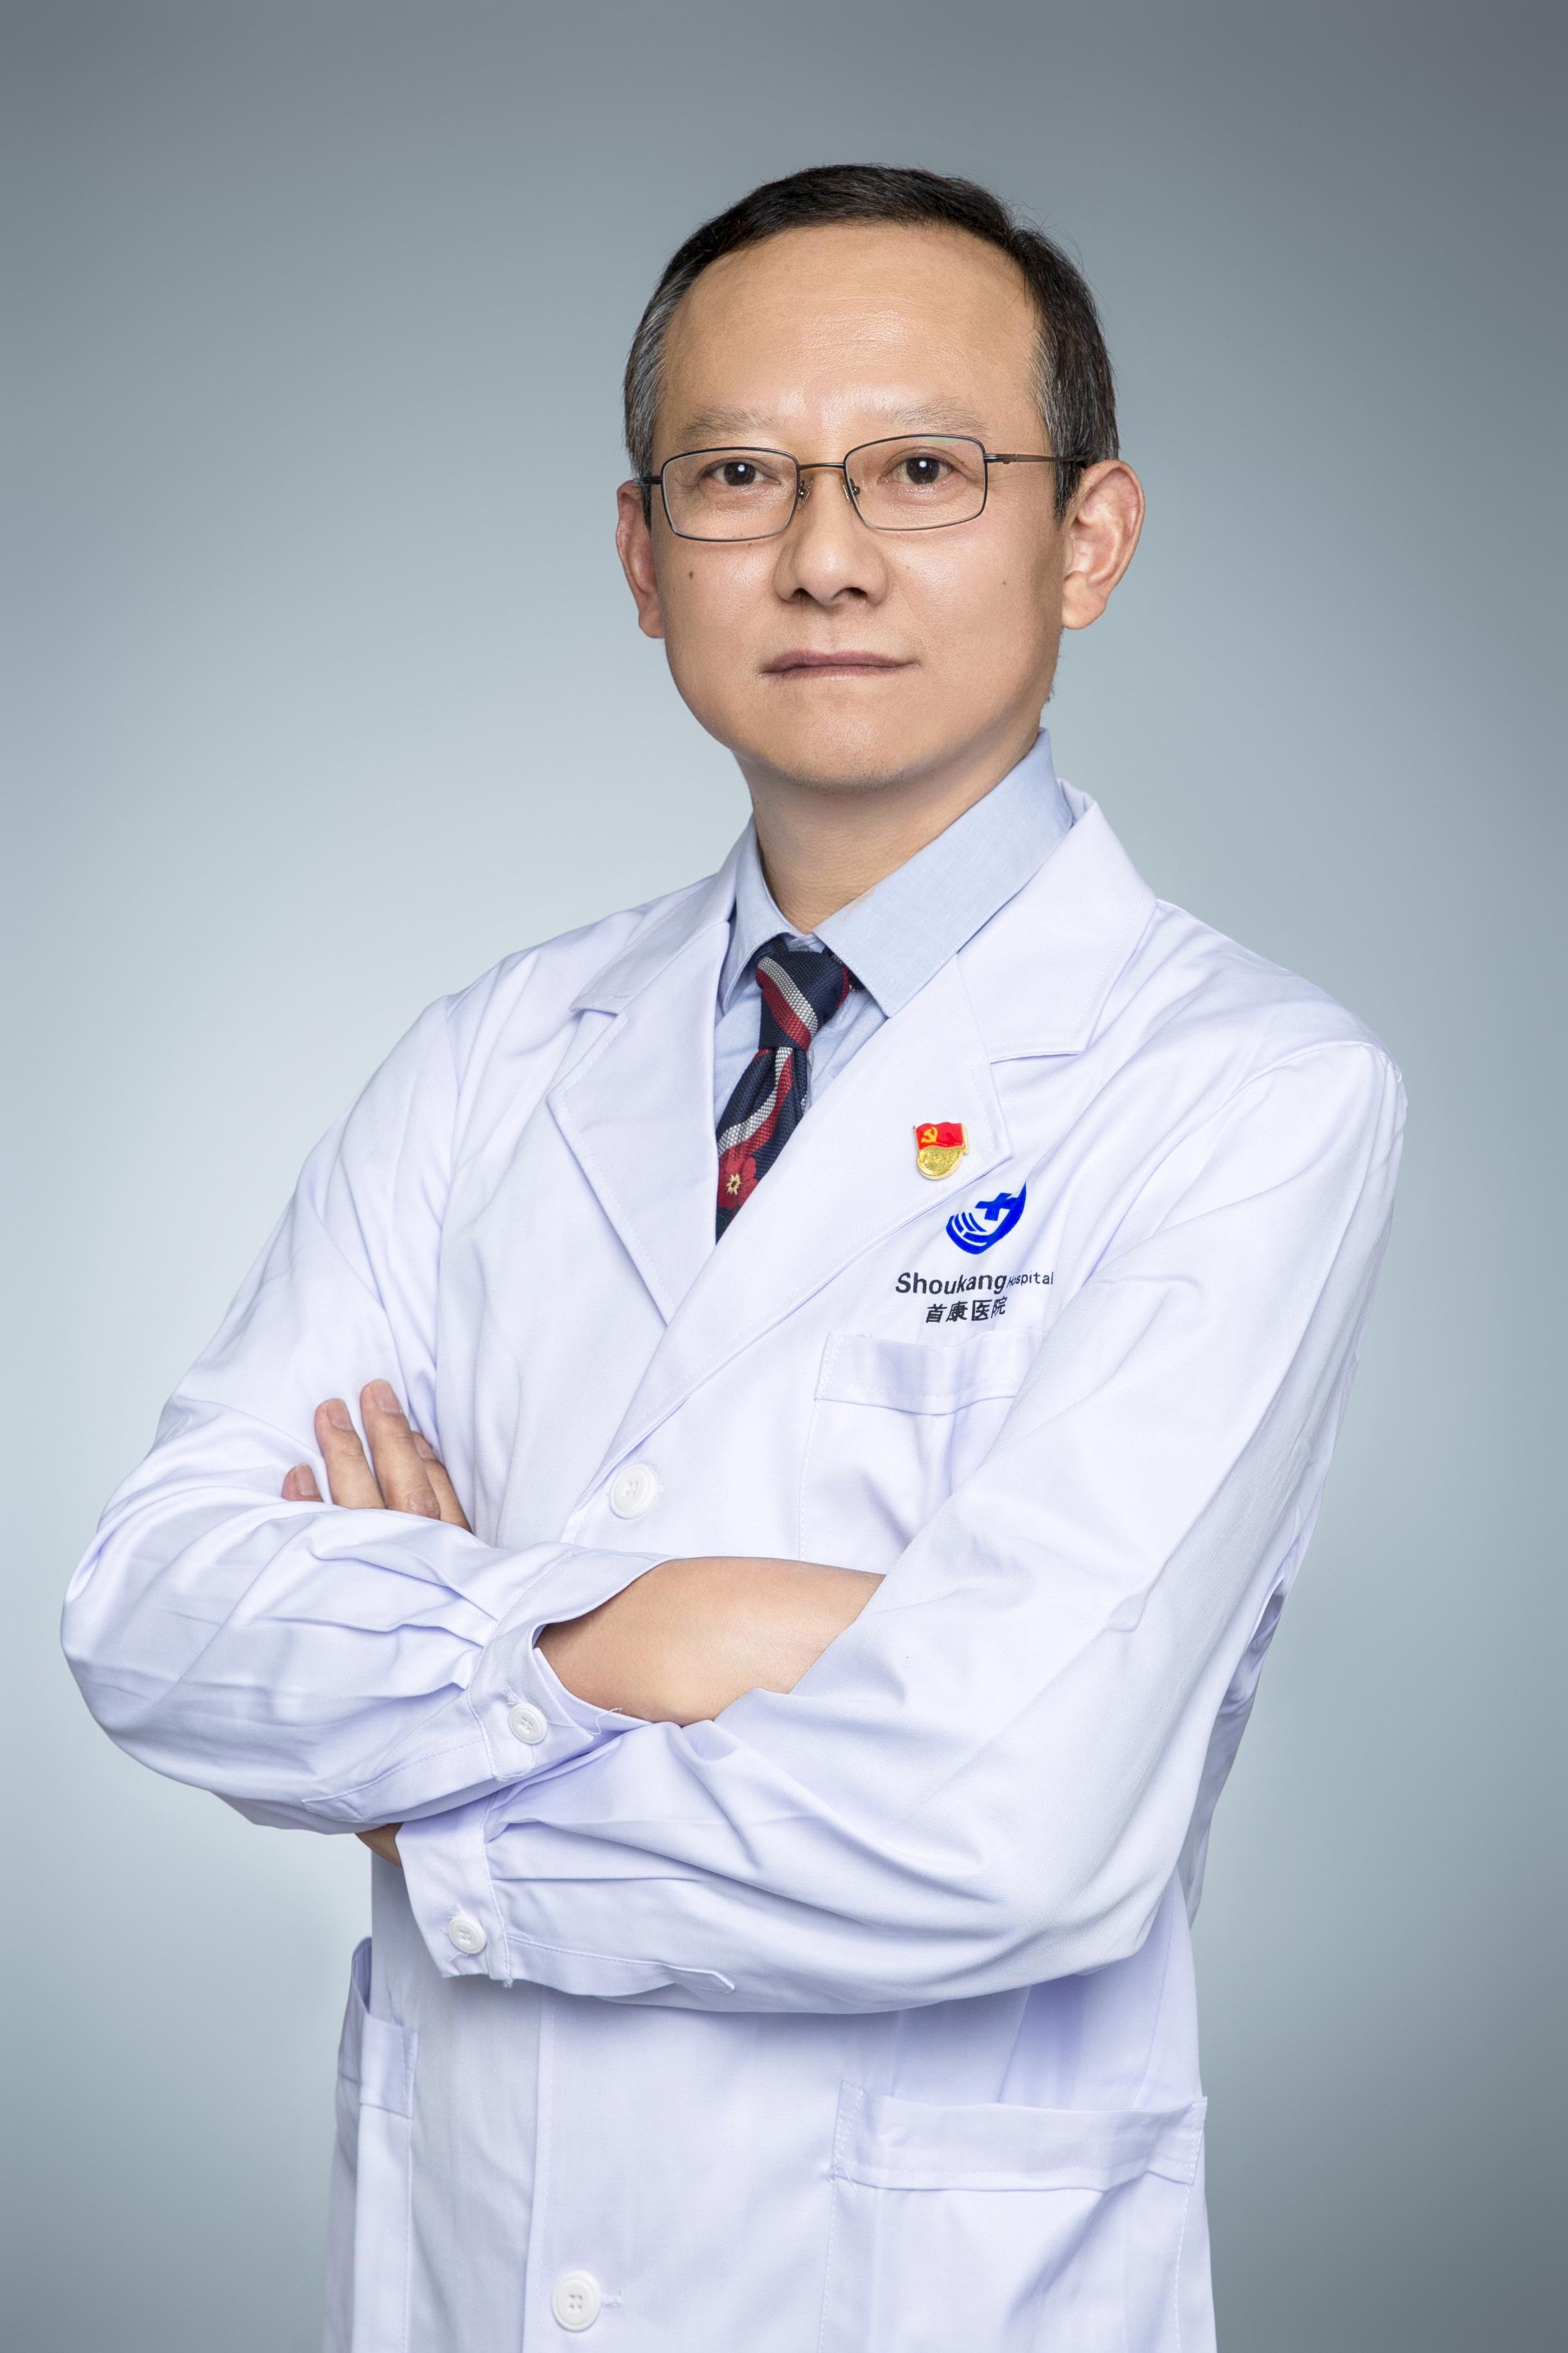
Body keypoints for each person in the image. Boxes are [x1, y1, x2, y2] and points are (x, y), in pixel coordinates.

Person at [63, 164, 1404, 2352]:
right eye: (738, 475)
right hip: (476, 2273)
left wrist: (428, 1790)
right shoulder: (498, 1054)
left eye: (924, 468)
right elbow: (154, 1610)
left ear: (1089, 538)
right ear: (642, 553)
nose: (824, 552)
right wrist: (631, 1632)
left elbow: (1008, 1816)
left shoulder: (1248, 1091)